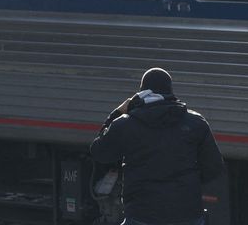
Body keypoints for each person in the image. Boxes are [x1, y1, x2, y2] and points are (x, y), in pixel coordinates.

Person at [90, 68, 225, 225]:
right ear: (170, 91)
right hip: (187, 214)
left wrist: (117, 113)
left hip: (142, 214)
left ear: (142, 92)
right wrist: (186, 183)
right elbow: (214, 168)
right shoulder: (196, 123)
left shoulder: (125, 124)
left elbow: (99, 152)